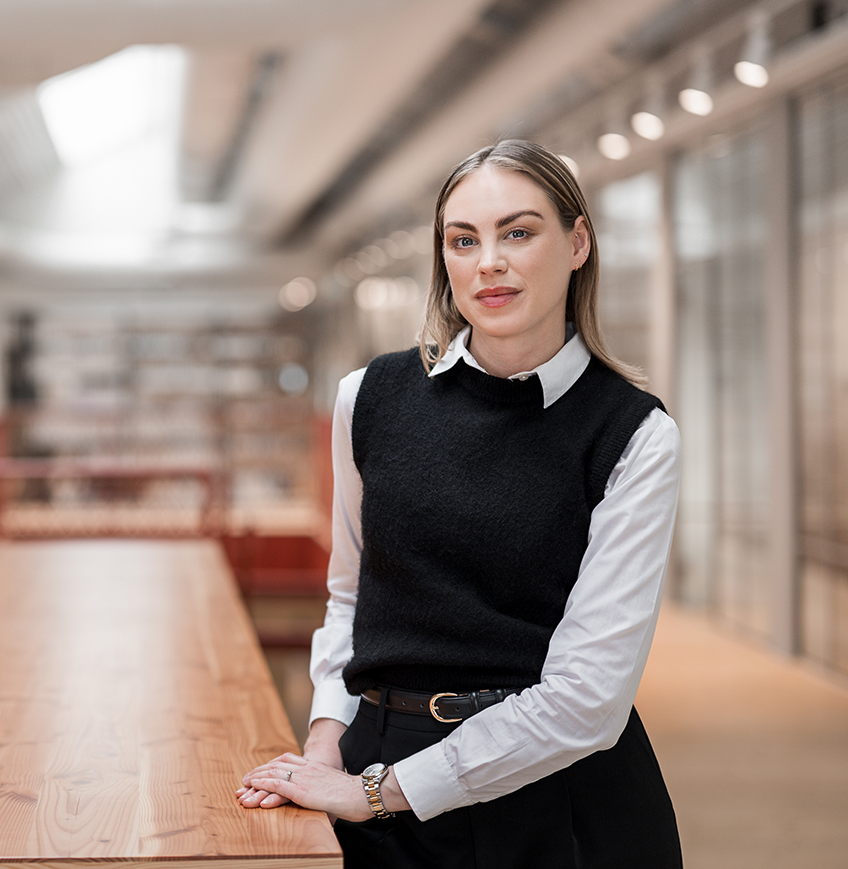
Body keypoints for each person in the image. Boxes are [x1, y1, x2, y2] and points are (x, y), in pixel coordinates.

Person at [236, 139, 683, 867]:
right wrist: (325, 742)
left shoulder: (633, 434)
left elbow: (588, 699)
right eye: (463, 240)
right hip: (378, 777)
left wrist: (380, 791)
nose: (489, 262)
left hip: (556, 797)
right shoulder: (369, 398)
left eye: (518, 233)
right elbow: (352, 596)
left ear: (577, 243)